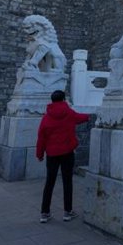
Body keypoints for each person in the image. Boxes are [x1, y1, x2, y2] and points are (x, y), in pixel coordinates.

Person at [36, 90, 89, 223]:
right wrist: (89, 116)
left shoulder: (46, 117)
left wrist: (40, 154)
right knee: (67, 182)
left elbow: (41, 137)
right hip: (67, 153)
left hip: (52, 154)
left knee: (49, 182)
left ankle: (44, 213)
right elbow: (80, 118)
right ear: (64, 99)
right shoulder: (69, 114)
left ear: (52, 101)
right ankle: (67, 212)